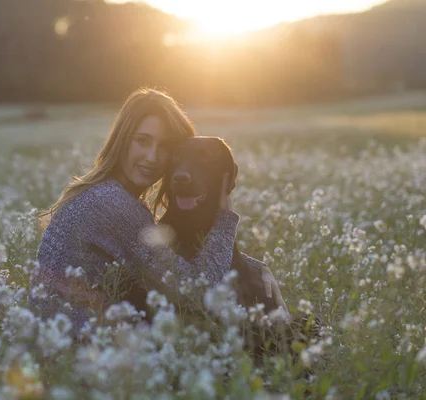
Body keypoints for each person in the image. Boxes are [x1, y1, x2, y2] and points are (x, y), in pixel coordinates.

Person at [28, 87, 286, 339]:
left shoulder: (103, 194)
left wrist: (257, 268)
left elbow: (168, 264)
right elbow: (198, 290)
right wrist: (225, 216)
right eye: (142, 141)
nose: (152, 157)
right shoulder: (111, 203)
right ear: (121, 140)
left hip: (71, 342)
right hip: (84, 351)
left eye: (165, 147)